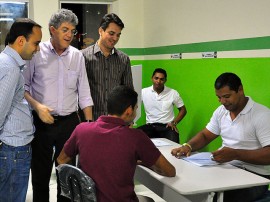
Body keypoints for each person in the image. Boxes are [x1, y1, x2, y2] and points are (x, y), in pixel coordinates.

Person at [57, 85, 176, 202]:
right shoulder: (136, 137)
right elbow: (169, 171)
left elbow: (61, 160)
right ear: (129, 110)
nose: (135, 112)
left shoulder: (81, 129)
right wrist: (143, 162)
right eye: (136, 108)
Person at [23, 9, 94, 202]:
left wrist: (88, 124)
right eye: (65, 29)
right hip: (41, 122)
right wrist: (38, 107)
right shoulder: (37, 53)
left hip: (69, 123)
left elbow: (84, 92)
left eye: (73, 30)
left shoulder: (77, 56)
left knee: (67, 175)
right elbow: (24, 87)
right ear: (52, 30)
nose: (70, 34)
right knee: (40, 175)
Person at [171, 72, 270, 202]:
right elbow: (206, 135)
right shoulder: (221, 112)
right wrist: (188, 146)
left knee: (216, 197)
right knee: (190, 183)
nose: (223, 102)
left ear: (240, 90)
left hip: (255, 176)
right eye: (219, 97)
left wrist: (235, 154)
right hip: (227, 167)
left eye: (227, 96)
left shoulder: (261, 115)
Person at [0, 18, 42, 202]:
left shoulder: (5, 61)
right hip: (14, 150)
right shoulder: (10, 68)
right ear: (20, 41)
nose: (38, 49)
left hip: (12, 149)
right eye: (36, 43)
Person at [81, 13, 134, 120]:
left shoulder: (124, 59)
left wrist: (130, 120)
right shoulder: (83, 56)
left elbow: (128, 92)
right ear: (100, 31)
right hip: (91, 120)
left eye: (118, 35)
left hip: (116, 122)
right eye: (111, 33)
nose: (115, 38)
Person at [138, 68, 187, 143]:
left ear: (165, 80)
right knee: (135, 136)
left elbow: (183, 110)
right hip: (150, 126)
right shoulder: (144, 92)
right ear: (152, 78)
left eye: (161, 79)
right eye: (156, 78)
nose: (158, 81)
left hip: (167, 127)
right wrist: (130, 122)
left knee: (174, 143)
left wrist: (174, 123)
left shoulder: (173, 93)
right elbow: (134, 106)